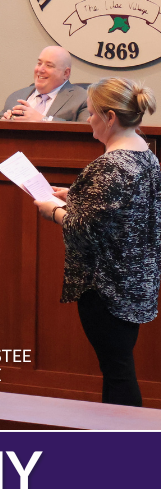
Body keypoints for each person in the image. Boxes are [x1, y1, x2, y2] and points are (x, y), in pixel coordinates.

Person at [34, 78, 161, 407]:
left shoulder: (110, 166)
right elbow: (119, 213)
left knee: (117, 372)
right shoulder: (146, 155)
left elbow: (86, 232)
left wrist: (55, 211)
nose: (88, 120)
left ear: (110, 117)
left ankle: (123, 451)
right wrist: (74, 194)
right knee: (118, 367)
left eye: (90, 114)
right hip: (135, 283)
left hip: (107, 288)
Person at [0, 46, 88, 121]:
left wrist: (42, 120)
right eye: (39, 63)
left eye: (49, 65)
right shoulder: (17, 96)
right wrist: (4, 123)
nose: (40, 70)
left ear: (66, 73)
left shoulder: (82, 99)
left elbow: (86, 133)